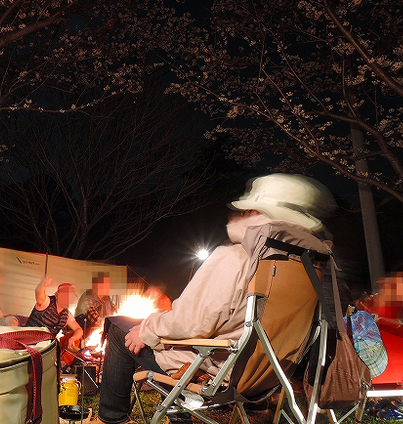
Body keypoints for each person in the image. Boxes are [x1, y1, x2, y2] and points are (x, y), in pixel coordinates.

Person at [94, 173, 336, 424]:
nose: (242, 216)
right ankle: (180, 415)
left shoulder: (236, 257)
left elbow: (190, 322)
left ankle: (111, 419)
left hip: (218, 368)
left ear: (255, 213)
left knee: (117, 327)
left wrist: (146, 329)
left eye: (247, 211)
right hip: (269, 375)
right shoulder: (308, 268)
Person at [25, 276, 84, 351]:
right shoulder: (46, 302)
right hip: (27, 343)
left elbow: (79, 329)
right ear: (57, 295)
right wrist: (43, 285)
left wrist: (72, 338)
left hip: (44, 349)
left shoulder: (67, 314)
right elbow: (39, 293)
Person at [75, 271, 118, 337]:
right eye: (105, 284)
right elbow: (97, 321)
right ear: (96, 285)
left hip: (99, 336)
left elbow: (117, 313)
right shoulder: (86, 299)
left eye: (108, 284)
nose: (108, 287)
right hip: (83, 338)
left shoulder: (106, 300)